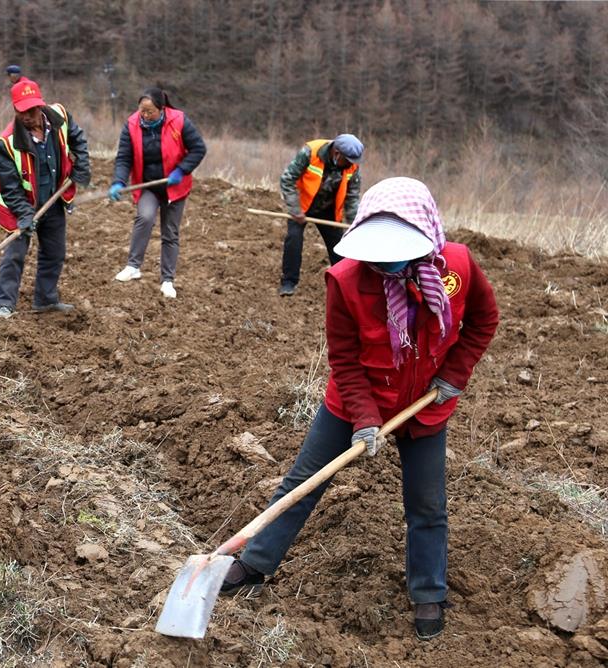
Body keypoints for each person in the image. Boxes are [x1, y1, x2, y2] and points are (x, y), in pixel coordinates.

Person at [220, 177, 499, 641]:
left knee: (427, 503)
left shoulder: (458, 266)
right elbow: (345, 360)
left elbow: (484, 320)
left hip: (425, 405)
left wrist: (455, 373)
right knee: (304, 482)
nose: (385, 262)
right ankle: (254, 562)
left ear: (426, 234)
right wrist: (365, 419)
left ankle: (428, 591)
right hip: (355, 400)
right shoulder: (346, 280)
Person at [0, 79, 91, 318]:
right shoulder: (8, 143)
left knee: (54, 252)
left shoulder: (60, 117)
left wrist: (81, 166)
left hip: (53, 200)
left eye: (32, 110)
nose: (27, 116)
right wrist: (25, 214)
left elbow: (78, 139)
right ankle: (4, 305)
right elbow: (10, 187)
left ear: (40, 105)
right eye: (22, 111)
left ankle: (46, 300)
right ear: (15, 109)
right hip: (21, 206)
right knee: (15, 254)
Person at [109, 87, 206, 299]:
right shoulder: (132, 125)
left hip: (174, 187)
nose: (144, 115)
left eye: (150, 111)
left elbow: (199, 148)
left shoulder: (178, 121)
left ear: (162, 109)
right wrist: (118, 181)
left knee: (170, 233)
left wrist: (182, 169)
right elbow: (124, 157)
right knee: (144, 218)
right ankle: (133, 266)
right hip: (149, 185)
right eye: (141, 110)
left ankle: (167, 280)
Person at [278, 134, 364, 296]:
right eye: (347, 161)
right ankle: (289, 282)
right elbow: (287, 179)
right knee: (294, 239)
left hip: (328, 209)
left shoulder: (352, 166)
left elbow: (352, 197)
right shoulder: (310, 152)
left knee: (339, 247)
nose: (350, 164)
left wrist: (354, 223)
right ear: (337, 153)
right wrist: (295, 209)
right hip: (302, 205)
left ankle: (345, 285)